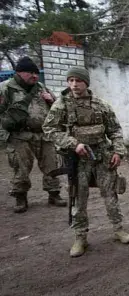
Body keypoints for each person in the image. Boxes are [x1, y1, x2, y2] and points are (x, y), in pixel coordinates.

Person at [43, 67, 129, 257]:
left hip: (102, 155)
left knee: (110, 194)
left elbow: (115, 130)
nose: (74, 84)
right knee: (79, 197)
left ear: (86, 82)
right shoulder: (61, 106)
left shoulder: (101, 105)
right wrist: (73, 144)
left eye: (78, 80)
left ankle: (118, 229)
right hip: (78, 159)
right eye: (71, 80)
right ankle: (80, 237)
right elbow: (49, 129)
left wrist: (118, 151)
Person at [0, 56, 66, 213]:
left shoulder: (40, 86)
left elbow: (58, 107)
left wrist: (52, 100)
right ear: (19, 72)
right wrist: (4, 136)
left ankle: (54, 194)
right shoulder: (6, 88)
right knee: (21, 167)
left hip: (44, 134)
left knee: (52, 164)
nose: (34, 76)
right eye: (30, 73)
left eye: (36, 73)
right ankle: (20, 197)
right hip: (19, 136)